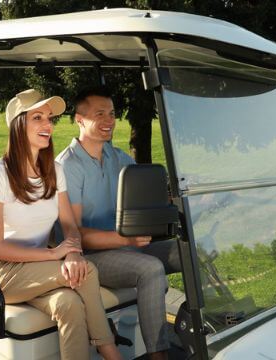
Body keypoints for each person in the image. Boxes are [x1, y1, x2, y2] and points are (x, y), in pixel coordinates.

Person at [0, 89, 122, 360]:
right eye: (38, 118)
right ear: (18, 125)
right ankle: (110, 351)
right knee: (87, 273)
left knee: (69, 304)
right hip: (1, 274)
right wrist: (55, 254)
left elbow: (69, 225)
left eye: (50, 119)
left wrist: (74, 253)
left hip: (38, 269)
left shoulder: (54, 171)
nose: (48, 125)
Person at [56, 87, 181, 360]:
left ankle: (213, 329)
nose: (109, 120)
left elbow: (146, 200)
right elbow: (74, 234)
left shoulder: (119, 158)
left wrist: (173, 200)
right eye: (99, 114)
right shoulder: (68, 166)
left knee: (192, 250)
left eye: (112, 114)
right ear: (79, 119)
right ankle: (159, 355)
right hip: (92, 257)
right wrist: (125, 240)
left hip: (129, 247)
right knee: (150, 268)